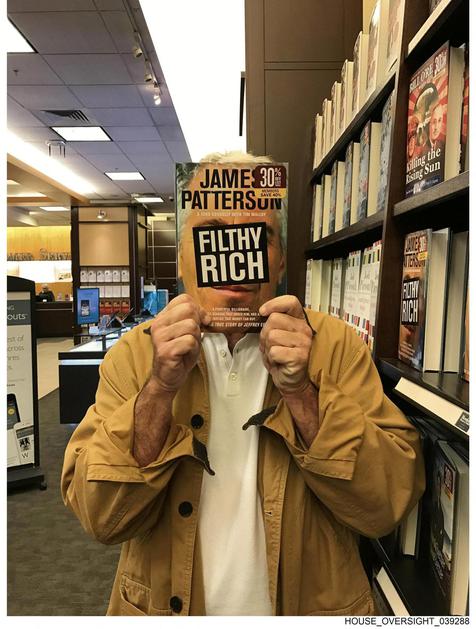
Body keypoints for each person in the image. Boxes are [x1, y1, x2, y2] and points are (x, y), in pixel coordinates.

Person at [61, 151, 425, 616]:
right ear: (183, 258)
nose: (234, 254)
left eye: (258, 235)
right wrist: (159, 389)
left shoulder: (334, 346)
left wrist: (302, 394)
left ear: (279, 262)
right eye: (212, 233)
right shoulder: (135, 354)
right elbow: (100, 516)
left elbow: (386, 504)